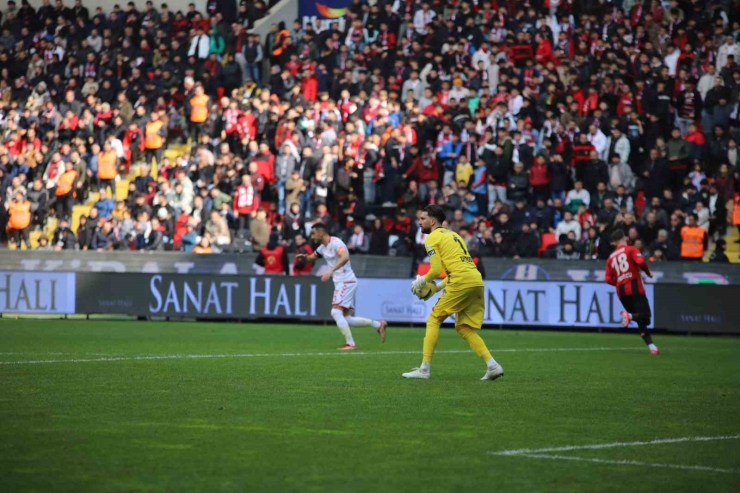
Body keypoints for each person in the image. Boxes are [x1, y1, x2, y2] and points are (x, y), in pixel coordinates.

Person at [406, 205, 504, 380]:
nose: (419, 222)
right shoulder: (454, 235)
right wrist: (437, 288)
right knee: (464, 327)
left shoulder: (432, 238)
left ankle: (424, 370)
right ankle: (493, 366)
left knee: (433, 319)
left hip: (461, 282)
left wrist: (422, 280)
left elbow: (435, 270)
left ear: (433, 221)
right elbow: (458, 268)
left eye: (422, 219)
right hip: (475, 280)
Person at [296, 222, 387, 350]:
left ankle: (350, 343)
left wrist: (330, 271)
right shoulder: (322, 248)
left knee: (335, 312)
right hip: (343, 282)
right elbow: (312, 258)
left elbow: (345, 257)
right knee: (346, 318)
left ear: (321, 233)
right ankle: (378, 325)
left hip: (346, 281)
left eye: (313, 233)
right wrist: (305, 259)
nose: (312, 237)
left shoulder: (336, 243)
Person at [605, 230, 659, 355]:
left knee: (642, 320)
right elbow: (640, 262)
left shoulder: (610, 258)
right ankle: (628, 316)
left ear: (615, 242)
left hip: (622, 293)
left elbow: (607, 279)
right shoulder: (631, 249)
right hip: (635, 288)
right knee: (645, 316)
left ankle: (651, 346)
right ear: (624, 238)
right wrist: (648, 272)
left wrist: (619, 282)